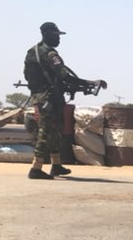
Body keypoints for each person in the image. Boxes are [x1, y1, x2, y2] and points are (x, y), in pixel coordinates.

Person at [22, 22, 106, 180]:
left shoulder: (33, 51)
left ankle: (56, 165)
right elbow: (65, 76)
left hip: (43, 96)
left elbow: (30, 76)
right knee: (46, 132)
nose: (58, 39)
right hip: (49, 98)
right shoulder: (50, 54)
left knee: (56, 130)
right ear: (46, 34)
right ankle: (36, 169)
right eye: (55, 35)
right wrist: (91, 83)